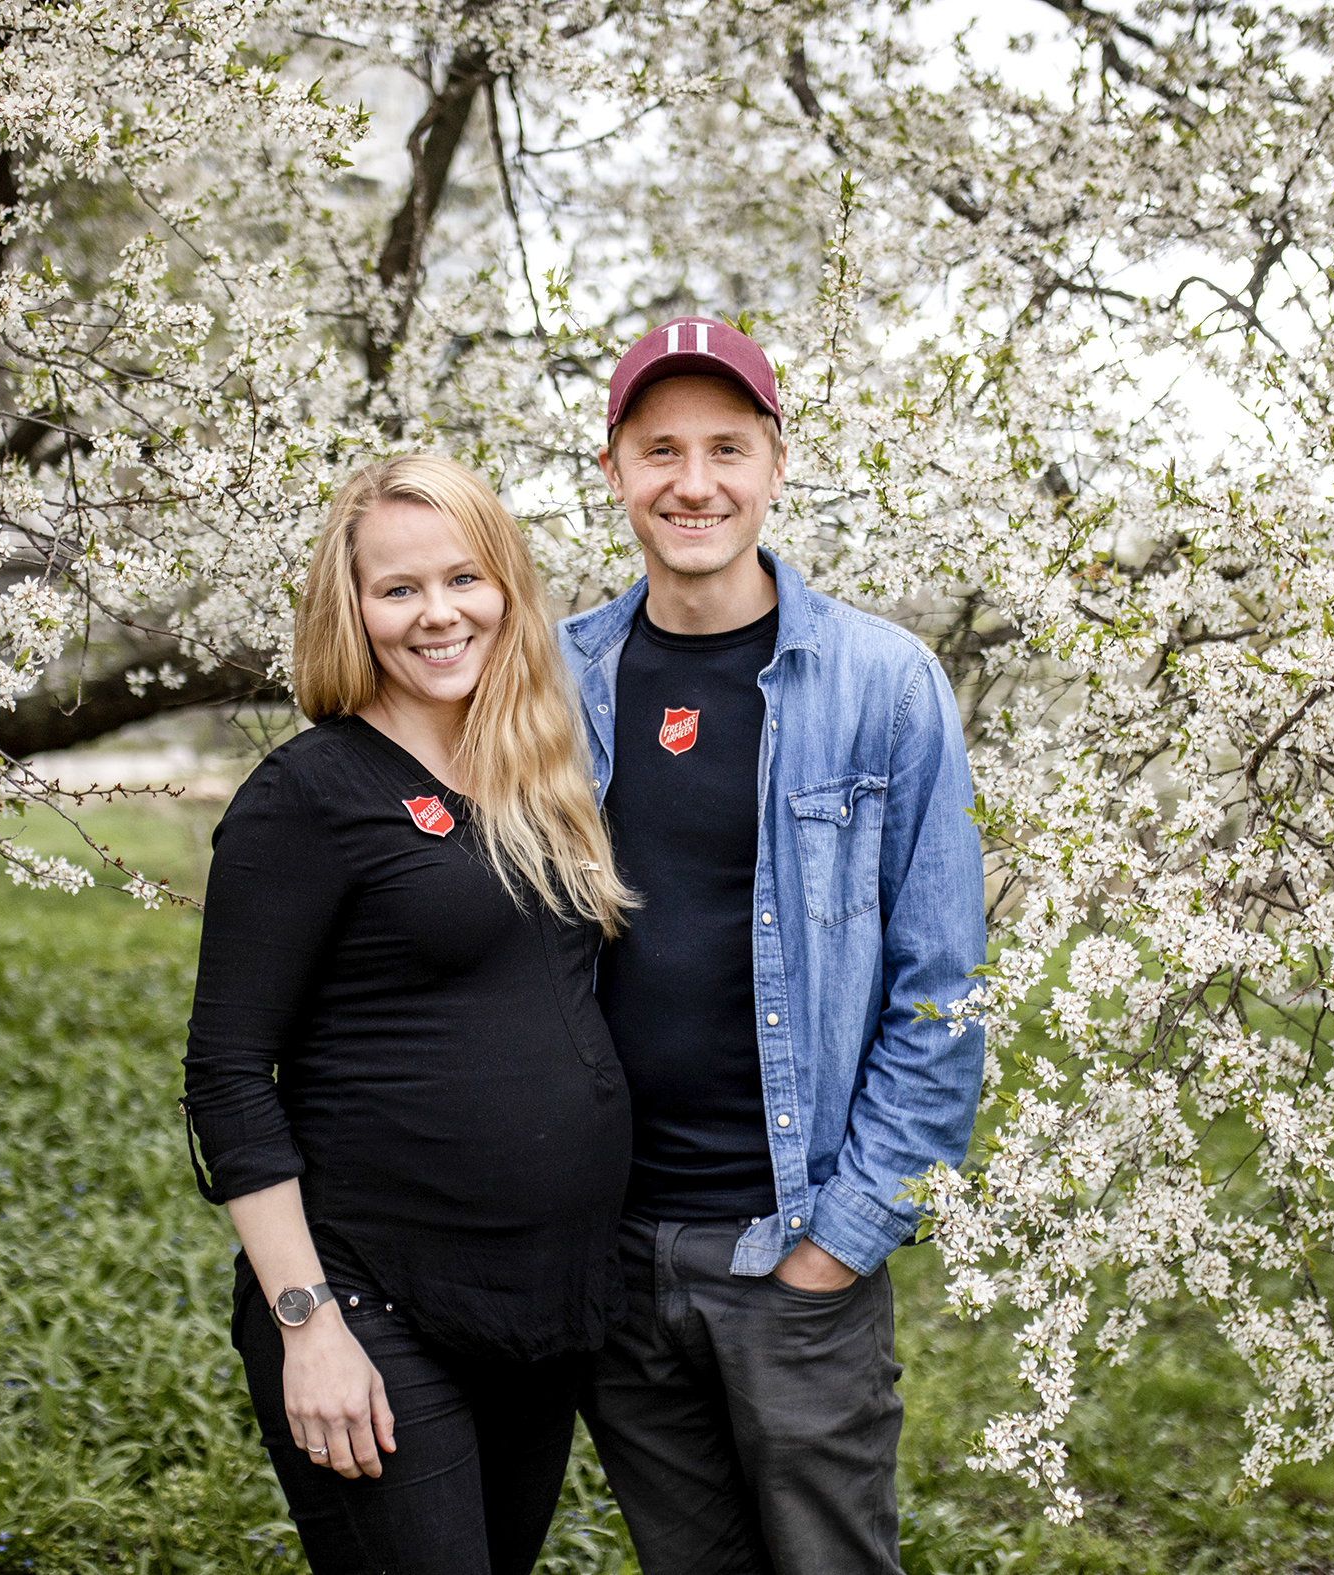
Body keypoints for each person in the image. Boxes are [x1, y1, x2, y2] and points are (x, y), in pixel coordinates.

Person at [560, 318, 988, 1573]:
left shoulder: (885, 683)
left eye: (726, 448)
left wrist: (842, 1237)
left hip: (791, 1239)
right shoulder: (551, 679)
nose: (693, 483)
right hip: (612, 1249)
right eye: (660, 451)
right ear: (614, 472)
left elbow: (943, 992)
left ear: (776, 463)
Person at [184, 455, 637, 1574]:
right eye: (398, 590)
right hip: (372, 1301)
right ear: (355, 609)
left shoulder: (539, 772)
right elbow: (228, 1072)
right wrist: (308, 1322)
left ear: (507, 590)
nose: (438, 614)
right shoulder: (309, 795)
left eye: (464, 578)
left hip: (541, 1306)